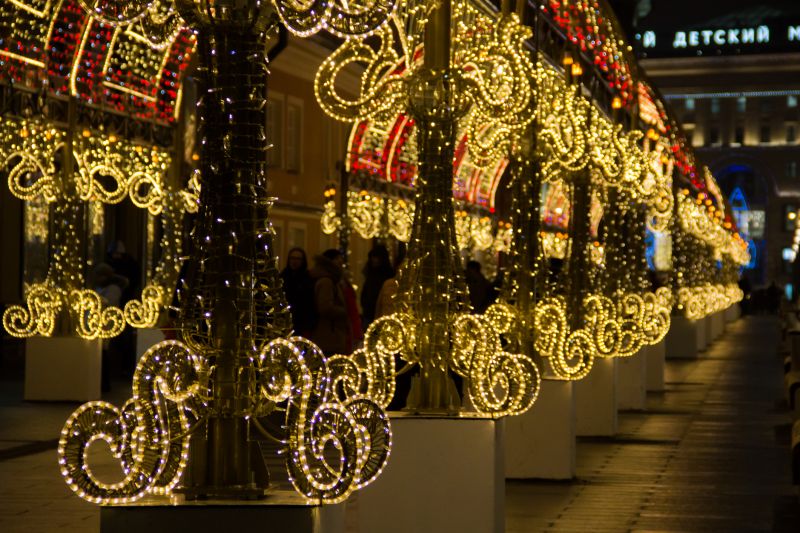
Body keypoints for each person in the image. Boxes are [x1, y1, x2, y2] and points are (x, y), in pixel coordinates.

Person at [93, 263, 128, 392]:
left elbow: (108, 303)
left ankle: (105, 383)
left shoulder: (113, 289)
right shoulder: (101, 288)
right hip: (100, 323)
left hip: (108, 324)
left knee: (104, 352)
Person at [309, 251, 351, 355]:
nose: (341, 261)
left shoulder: (331, 280)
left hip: (329, 334)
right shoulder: (326, 282)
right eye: (337, 259)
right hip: (328, 335)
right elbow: (325, 307)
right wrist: (343, 311)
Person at [280, 247, 316, 337]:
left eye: (298, 259)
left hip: (302, 324)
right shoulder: (282, 277)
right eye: (292, 258)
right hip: (284, 322)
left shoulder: (308, 279)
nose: (294, 261)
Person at [360, 244, 395, 331]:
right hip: (368, 314)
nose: (374, 260)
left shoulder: (387, 275)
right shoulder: (371, 274)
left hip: (381, 315)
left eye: (376, 257)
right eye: (372, 257)